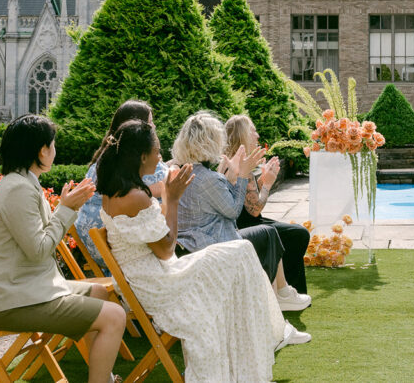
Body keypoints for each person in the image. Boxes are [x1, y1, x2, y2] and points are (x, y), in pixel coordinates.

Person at [98, 119, 309, 383]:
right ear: (142, 156)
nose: (161, 156)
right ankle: (266, 338)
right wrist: (171, 199)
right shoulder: (135, 196)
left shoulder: (119, 191)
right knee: (240, 255)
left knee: (240, 253)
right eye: (157, 150)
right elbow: (165, 249)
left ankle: (267, 336)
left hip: (152, 276)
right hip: (159, 284)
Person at [0, 115, 126, 383]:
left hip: (30, 290)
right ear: (42, 150)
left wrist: (66, 207)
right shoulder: (17, 190)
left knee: (101, 293)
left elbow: (38, 240)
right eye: (53, 144)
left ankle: (104, 377)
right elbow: (38, 249)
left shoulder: (24, 182)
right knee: (115, 316)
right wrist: (66, 209)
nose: (55, 150)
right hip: (13, 300)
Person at [173, 111, 311, 311]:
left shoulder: (188, 171)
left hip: (202, 238)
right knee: (271, 234)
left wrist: (240, 176)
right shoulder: (205, 177)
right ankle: (278, 299)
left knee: (280, 233)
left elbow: (223, 200)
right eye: (253, 131)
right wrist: (245, 175)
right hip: (211, 242)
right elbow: (234, 211)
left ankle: (283, 293)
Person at [75, 99, 168, 268]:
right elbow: (165, 184)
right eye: (150, 122)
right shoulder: (138, 175)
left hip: (93, 245)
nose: (153, 127)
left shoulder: (105, 161)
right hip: (116, 253)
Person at [225, 114, 310, 297]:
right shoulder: (240, 166)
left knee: (296, 233)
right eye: (253, 131)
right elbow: (255, 210)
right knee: (298, 235)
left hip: (248, 221)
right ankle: (286, 291)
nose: (257, 136)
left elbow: (249, 199)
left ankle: (286, 287)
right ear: (242, 136)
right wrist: (269, 183)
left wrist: (263, 180)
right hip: (247, 226)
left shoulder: (236, 161)